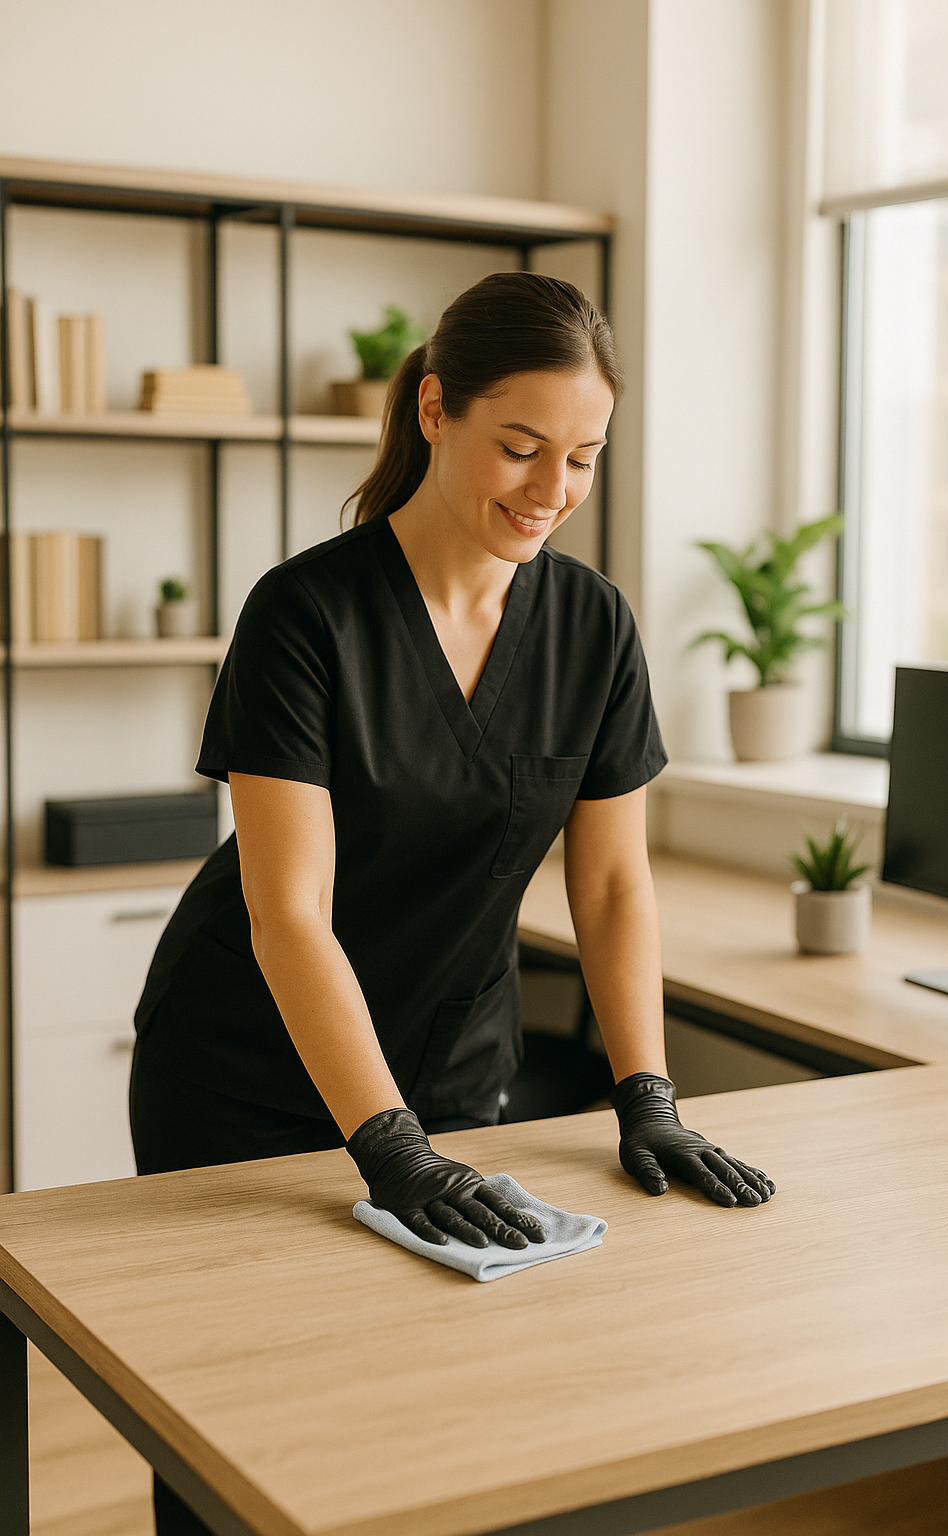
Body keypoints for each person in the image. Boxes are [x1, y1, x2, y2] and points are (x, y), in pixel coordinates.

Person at [130, 272, 774, 1536]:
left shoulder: (592, 626)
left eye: (582, 458)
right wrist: (388, 1145)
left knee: (428, 1417)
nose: (551, 490)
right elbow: (289, 914)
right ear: (435, 410)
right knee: (232, 1422)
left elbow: (611, 880)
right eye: (520, 447)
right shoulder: (307, 612)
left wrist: (646, 1091)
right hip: (245, 1069)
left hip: (454, 1063)